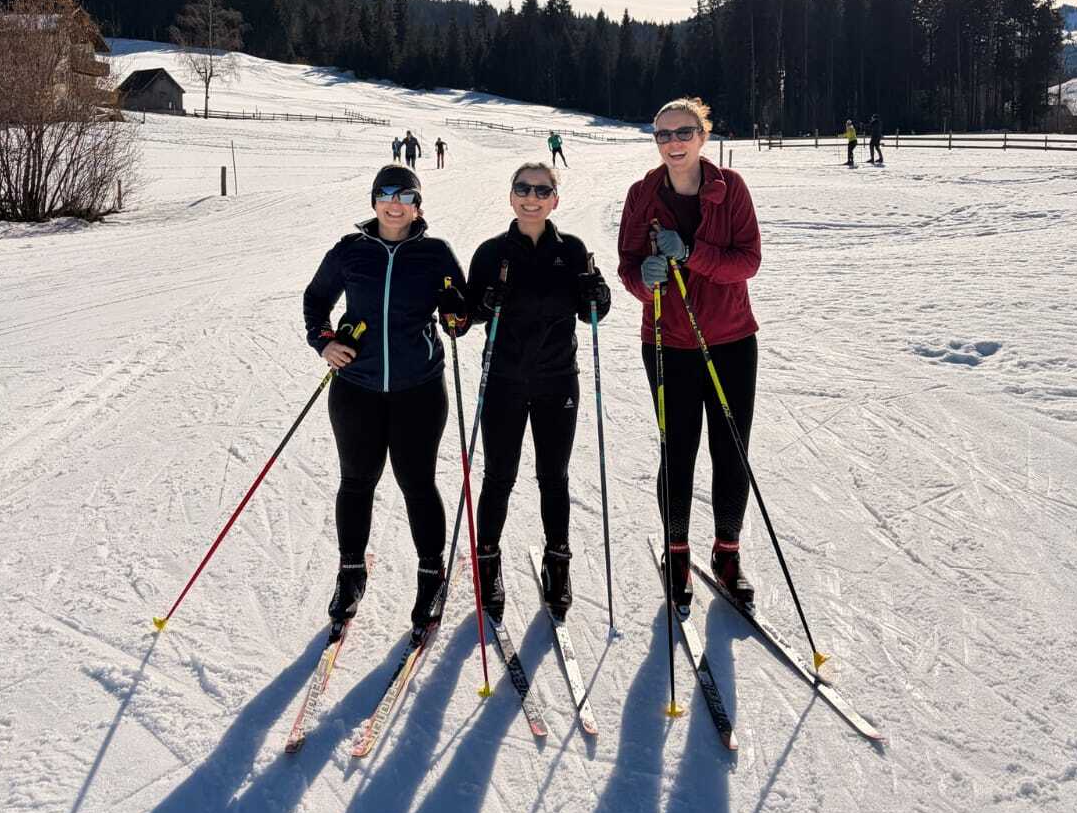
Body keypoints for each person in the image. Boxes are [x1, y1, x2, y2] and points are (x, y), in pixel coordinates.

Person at [302, 164, 470, 634]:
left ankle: (430, 574)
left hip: (418, 388)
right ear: (374, 200)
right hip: (357, 387)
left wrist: (459, 317)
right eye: (386, 194)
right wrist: (324, 341)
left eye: (405, 196)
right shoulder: (351, 251)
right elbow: (316, 299)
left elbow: (461, 309)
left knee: (417, 483)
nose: (395, 204)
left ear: (418, 205)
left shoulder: (435, 252)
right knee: (356, 482)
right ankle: (350, 573)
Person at [617, 96, 761, 613]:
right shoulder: (641, 194)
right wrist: (644, 279)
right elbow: (628, 266)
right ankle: (677, 554)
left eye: (684, 132)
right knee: (676, 451)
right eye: (663, 135)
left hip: (730, 340)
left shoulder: (731, 189)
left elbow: (748, 261)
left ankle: (728, 553)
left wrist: (691, 254)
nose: (673, 143)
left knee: (731, 449)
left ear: (703, 136)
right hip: (665, 342)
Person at [466, 164, 611, 620]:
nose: (532, 197)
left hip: (556, 381)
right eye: (523, 189)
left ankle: (558, 563)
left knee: (554, 476)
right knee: (499, 476)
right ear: (511, 197)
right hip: (505, 380)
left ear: (555, 199)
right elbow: (465, 316)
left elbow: (593, 314)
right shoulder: (491, 253)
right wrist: (482, 303)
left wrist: (598, 294)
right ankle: (487, 564)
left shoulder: (571, 251)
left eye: (542, 190)